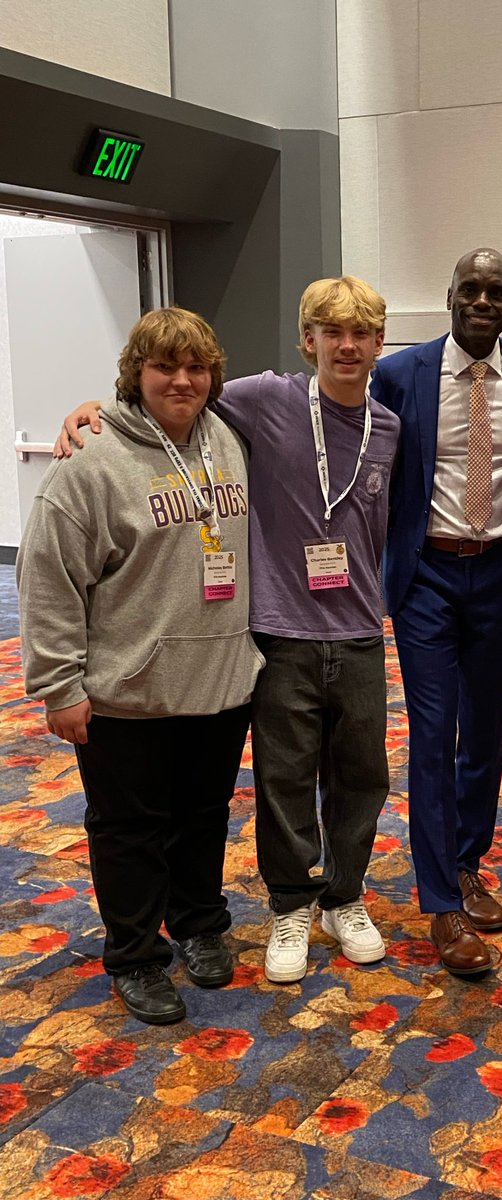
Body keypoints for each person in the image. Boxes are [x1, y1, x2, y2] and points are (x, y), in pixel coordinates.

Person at [56, 277, 401, 985]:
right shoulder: (264, 399)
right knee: (280, 782)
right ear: (307, 340)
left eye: (360, 333)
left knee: (361, 778)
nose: (345, 344)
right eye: (330, 331)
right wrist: (92, 406)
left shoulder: (387, 425)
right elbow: (158, 391)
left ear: (378, 344)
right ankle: (289, 903)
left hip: (349, 632)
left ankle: (343, 897)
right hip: (276, 634)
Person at [18, 307, 263, 1024]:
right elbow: (51, 579)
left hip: (218, 680)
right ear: (136, 374)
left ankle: (198, 922)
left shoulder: (228, 438)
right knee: (129, 828)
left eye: (196, 367)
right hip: (128, 688)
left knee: (203, 816)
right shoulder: (90, 463)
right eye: (165, 367)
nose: (182, 380)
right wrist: (58, 685)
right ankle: (134, 954)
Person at [370, 248, 502, 974]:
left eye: (497, 291)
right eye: (470, 289)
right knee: (430, 731)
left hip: (498, 574)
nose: (483, 300)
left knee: (485, 728)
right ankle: (441, 902)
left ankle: (469, 860)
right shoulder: (400, 373)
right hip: (427, 576)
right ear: (449, 296)